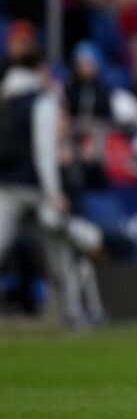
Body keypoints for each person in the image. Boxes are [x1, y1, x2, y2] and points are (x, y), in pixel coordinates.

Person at [0, 22, 80, 325]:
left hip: (6, 185)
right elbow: (45, 150)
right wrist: (54, 192)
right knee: (59, 253)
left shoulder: (5, 93)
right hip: (35, 187)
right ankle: (73, 313)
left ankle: (70, 311)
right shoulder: (41, 99)